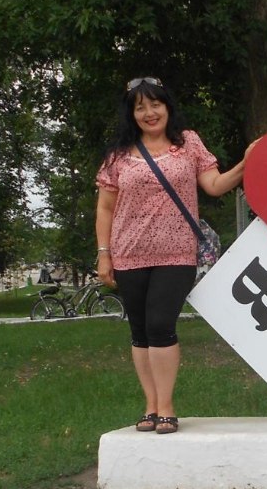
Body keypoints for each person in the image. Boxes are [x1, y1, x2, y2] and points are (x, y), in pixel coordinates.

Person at [95, 76, 252, 435]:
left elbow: (213, 185)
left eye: (155, 104)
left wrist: (244, 164)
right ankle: (149, 406)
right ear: (131, 114)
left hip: (177, 253)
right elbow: (105, 208)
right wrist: (104, 254)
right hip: (129, 253)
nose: (149, 113)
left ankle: (166, 406)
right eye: (140, 107)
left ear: (167, 106)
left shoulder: (189, 144)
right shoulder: (118, 155)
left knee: (160, 326)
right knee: (139, 331)